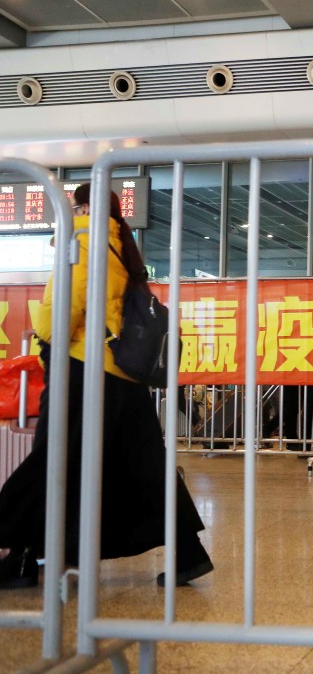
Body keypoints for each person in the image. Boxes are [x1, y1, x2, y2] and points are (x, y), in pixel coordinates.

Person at [0, 184, 213, 589]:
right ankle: (188, 552)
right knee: (143, 465)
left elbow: (71, 300)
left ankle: (22, 555)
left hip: (84, 368)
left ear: (83, 206)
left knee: (53, 460)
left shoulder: (85, 236)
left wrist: (45, 332)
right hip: (123, 375)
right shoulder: (121, 244)